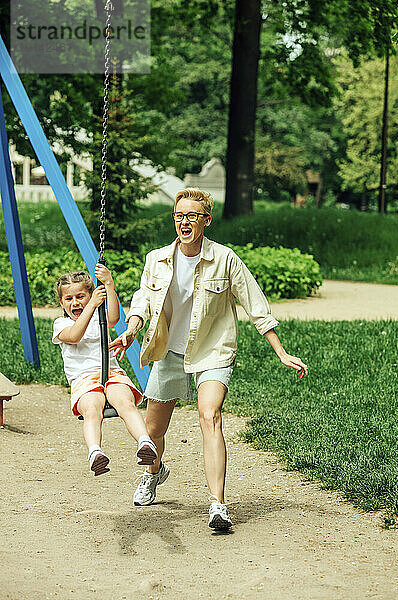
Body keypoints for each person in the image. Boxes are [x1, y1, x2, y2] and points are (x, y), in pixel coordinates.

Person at [109, 189, 308, 529]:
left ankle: (218, 505)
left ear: (206, 220)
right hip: (169, 351)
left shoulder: (225, 258)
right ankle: (154, 473)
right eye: (179, 216)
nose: (184, 222)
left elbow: (255, 305)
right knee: (154, 430)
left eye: (192, 216)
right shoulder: (156, 258)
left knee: (210, 415)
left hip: (213, 350)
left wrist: (281, 351)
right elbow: (142, 301)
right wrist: (130, 330)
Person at [52, 264, 157, 476]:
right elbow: (74, 336)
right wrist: (91, 305)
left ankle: (145, 443)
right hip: (85, 381)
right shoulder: (61, 324)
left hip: (112, 374)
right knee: (92, 409)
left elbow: (114, 319)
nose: (75, 303)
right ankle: (95, 452)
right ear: (61, 302)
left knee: (124, 402)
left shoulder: (99, 318)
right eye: (69, 299)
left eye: (81, 296)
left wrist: (109, 284)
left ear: (91, 294)